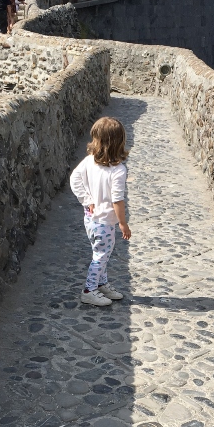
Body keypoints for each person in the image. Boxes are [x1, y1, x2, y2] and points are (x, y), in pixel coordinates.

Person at [70, 117, 130, 307]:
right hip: (104, 222)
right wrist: (122, 223)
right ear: (119, 142)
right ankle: (89, 290)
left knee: (101, 252)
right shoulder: (118, 170)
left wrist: (86, 200)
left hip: (90, 219)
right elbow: (117, 200)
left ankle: (101, 284)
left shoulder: (89, 161)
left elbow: (74, 180)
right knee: (101, 255)